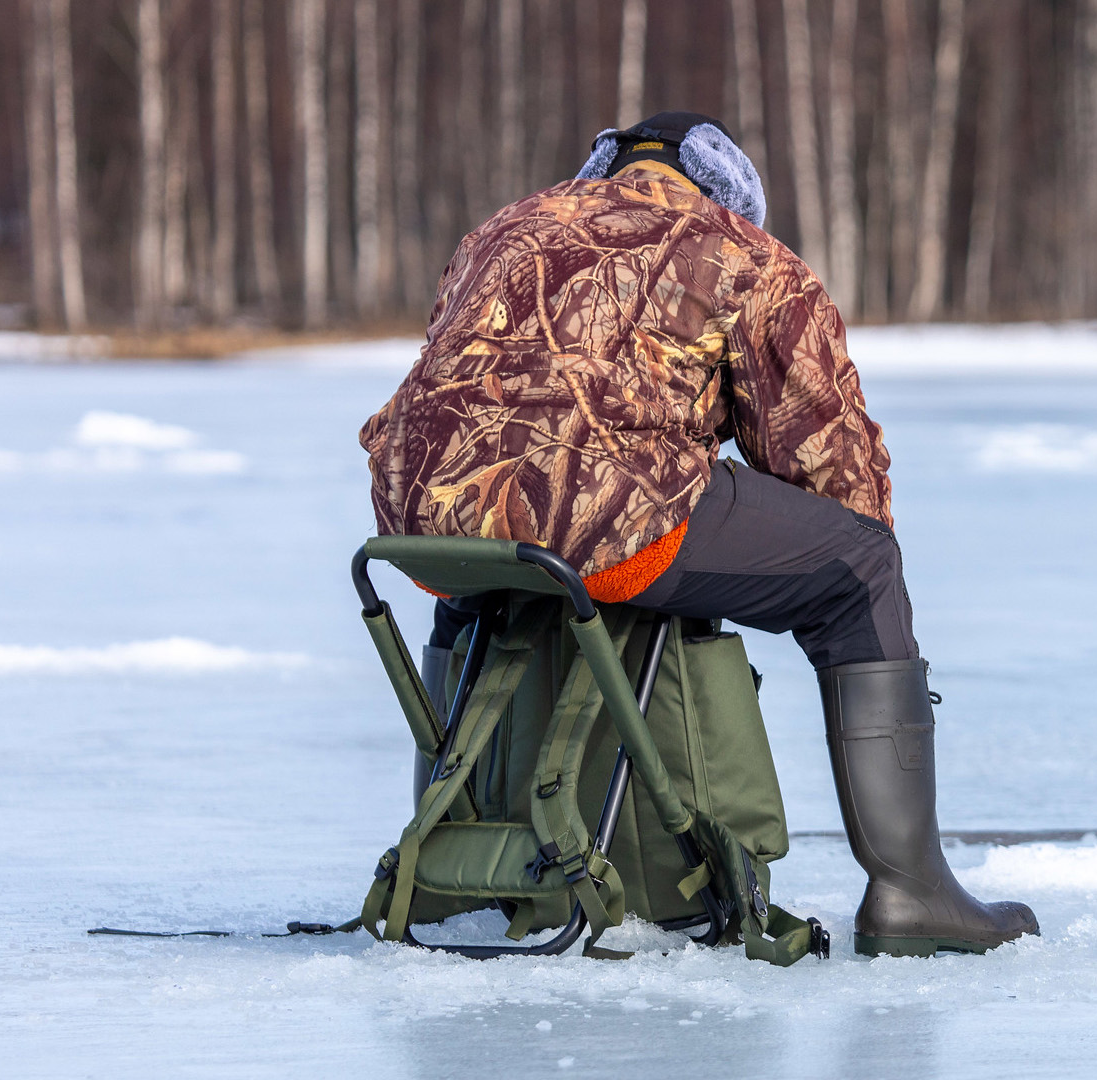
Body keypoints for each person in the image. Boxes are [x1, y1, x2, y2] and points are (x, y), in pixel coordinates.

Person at [358, 112, 1037, 957]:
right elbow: (829, 465)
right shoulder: (742, 252)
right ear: (727, 192)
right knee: (861, 568)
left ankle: (440, 860)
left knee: (490, 565)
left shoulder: (501, 231)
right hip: (602, 517)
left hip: (423, 519)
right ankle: (912, 892)